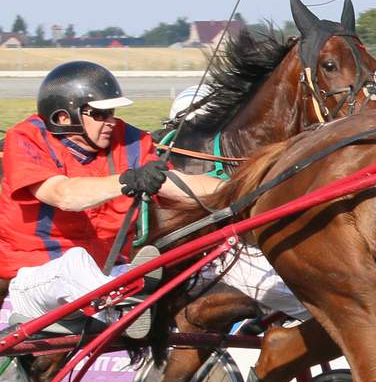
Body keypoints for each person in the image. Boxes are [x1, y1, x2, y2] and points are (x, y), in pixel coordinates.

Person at [0, 62, 223, 340]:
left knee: (189, 267)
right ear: (63, 116)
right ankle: (122, 309)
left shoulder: (128, 141)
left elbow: (176, 185)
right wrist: (126, 180)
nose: (110, 122)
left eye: (112, 112)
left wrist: (242, 189)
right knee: (75, 263)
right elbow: (64, 195)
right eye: (100, 114)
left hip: (104, 276)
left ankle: (128, 299)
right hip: (36, 282)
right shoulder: (26, 139)